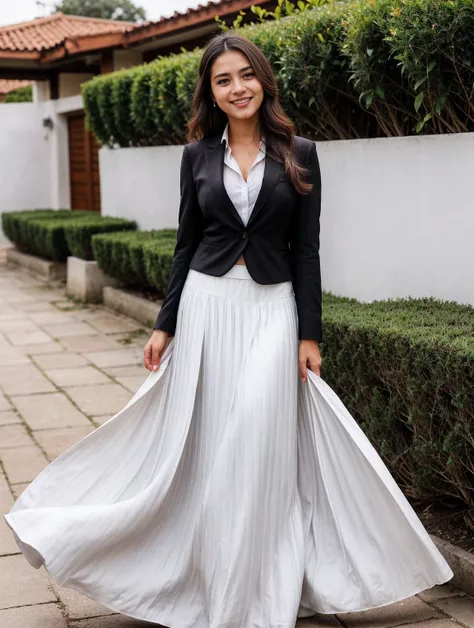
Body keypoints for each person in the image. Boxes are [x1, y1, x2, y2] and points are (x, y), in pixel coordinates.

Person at [5, 34, 453, 628]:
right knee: (212, 442)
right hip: (207, 304)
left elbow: (308, 252)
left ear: (263, 81)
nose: (237, 87)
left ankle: (259, 587)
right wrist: (165, 325)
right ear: (210, 93)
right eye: (223, 80)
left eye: (246, 75)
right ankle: (210, 574)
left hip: (272, 307)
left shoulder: (302, 151)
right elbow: (186, 243)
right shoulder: (195, 157)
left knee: (258, 439)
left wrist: (308, 334)